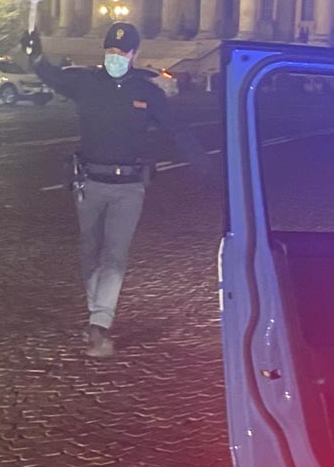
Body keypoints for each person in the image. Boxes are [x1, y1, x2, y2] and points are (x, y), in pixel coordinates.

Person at [21, 22, 208, 359]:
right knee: (88, 251)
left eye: (122, 52)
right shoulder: (86, 83)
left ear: (134, 54)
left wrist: (204, 164)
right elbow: (53, 77)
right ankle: (97, 311)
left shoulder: (147, 92)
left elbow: (176, 130)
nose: (115, 57)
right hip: (90, 183)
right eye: (110, 51)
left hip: (129, 187)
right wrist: (35, 55)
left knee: (114, 256)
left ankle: (99, 322)